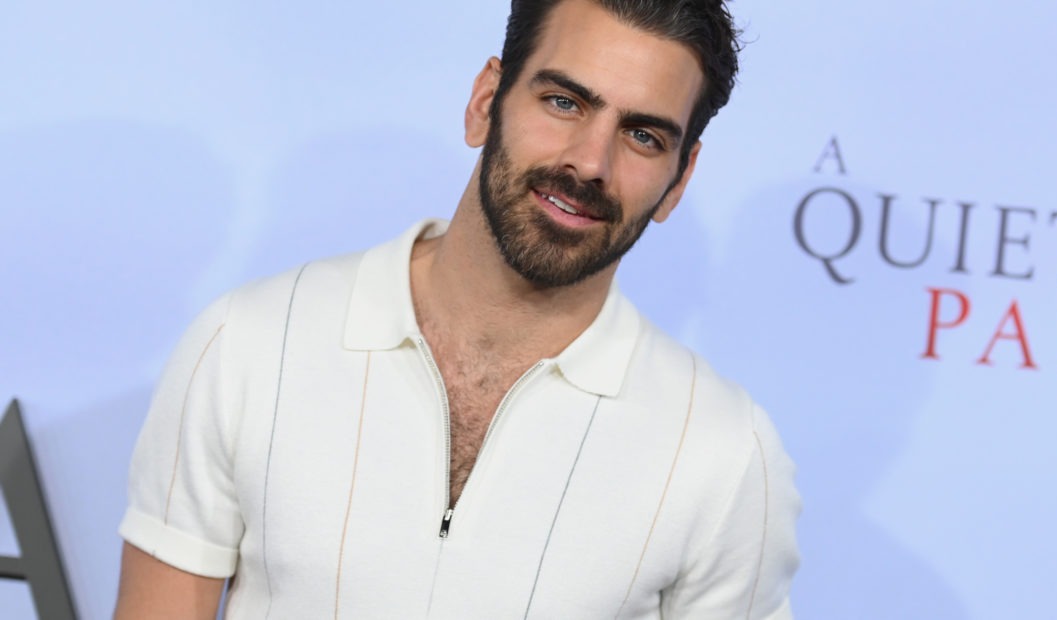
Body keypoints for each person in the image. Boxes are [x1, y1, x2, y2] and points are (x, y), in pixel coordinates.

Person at [114, 0, 800, 617]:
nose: (590, 162)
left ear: (679, 180)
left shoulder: (721, 451)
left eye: (643, 136)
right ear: (485, 102)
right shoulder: (250, 343)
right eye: (564, 102)